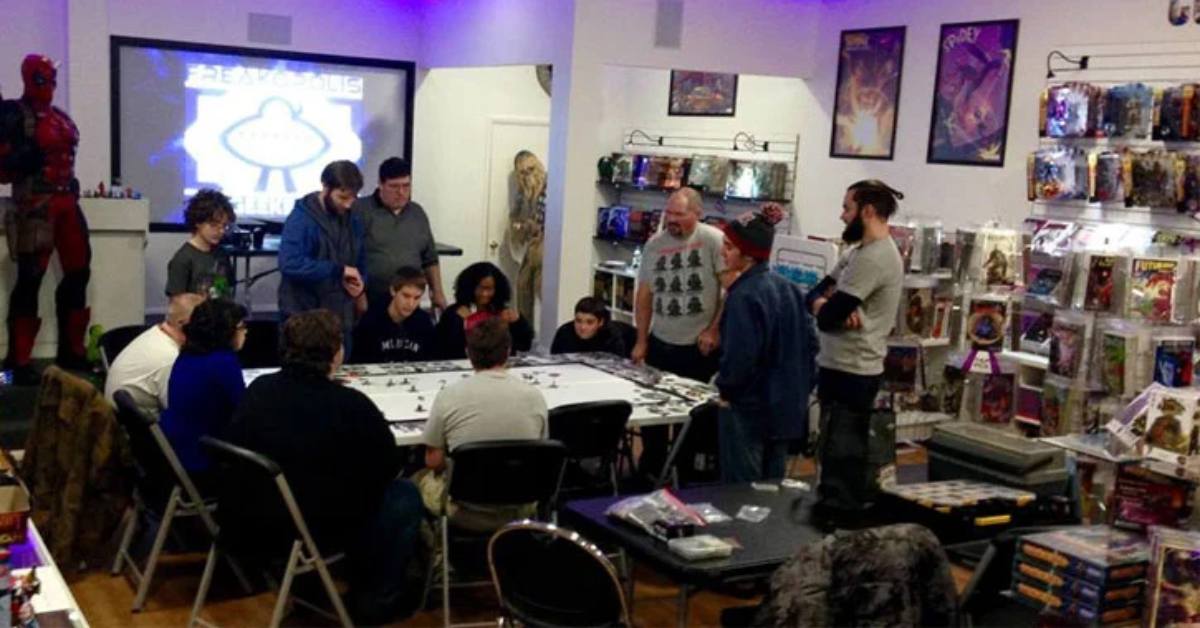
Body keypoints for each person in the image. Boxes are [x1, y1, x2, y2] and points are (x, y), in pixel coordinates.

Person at [224, 309, 423, 623]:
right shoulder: (350, 405)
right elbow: (389, 467)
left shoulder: (259, 390)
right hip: (317, 521)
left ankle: (318, 579)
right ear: (335, 352)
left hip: (254, 514)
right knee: (404, 495)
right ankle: (379, 598)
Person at [807, 180, 905, 529]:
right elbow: (815, 295)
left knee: (844, 455)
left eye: (847, 207)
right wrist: (824, 303)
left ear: (866, 211)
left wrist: (828, 307)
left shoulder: (876, 258)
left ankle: (841, 522)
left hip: (854, 369)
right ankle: (833, 511)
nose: (841, 214)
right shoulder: (856, 252)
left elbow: (831, 317)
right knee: (831, 449)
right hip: (837, 364)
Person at [1, 55, 91, 383]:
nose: (49, 86)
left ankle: (73, 350)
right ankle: (20, 360)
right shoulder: (13, 114)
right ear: (28, 78)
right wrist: (21, 158)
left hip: (66, 202)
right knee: (30, 280)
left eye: (52, 79)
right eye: (42, 79)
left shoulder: (61, 119)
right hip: (36, 205)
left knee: (79, 273)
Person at [714, 204, 817, 482]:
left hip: (749, 408)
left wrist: (726, 389)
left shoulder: (744, 295)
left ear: (747, 255)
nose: (723, 252)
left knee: (742, 491)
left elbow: (741, 356)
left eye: (729, 247)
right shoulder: (789, 289)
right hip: (785, 407)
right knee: (772, 489)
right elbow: (811, 344)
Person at [631, 187, 726, 478]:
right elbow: (645, 295)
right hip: (662, 342)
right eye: (668, 213)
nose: (671, 219)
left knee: (693, 417)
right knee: (654, 414)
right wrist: (641, 340)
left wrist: (713, 329)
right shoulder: (654, 244)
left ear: (697, 214)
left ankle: (685, 472)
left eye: (679, 214)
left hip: (698, 346)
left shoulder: (713, 240)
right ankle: (651, 472)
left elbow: (727, 290)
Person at [421, 317, 548, 531]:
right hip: (520, 503)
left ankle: (433, 548)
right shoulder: (535, 397)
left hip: (465, 507)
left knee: (417, 481)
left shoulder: (449, 396)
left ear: (468, 354)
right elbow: (540, 453)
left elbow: (433, 461)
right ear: (508, 351)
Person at [278, 160, 367, 358]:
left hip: (340, 320)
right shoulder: (300, 219)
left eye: (353, 197)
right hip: (303, 320)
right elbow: (289, 263)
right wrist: (338, 270)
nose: (348, 204)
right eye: (342, 197)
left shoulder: (354, 220)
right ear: (325, 187)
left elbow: (359, 262)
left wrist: (361, 285)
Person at [158, 299, 248, 475]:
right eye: (241, 326)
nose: (245, 331)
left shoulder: (186, 356)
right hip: (204, 460)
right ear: (227, 331)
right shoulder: (223, 362)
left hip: (179, 452)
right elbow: (244, 409)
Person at [354, 157, 448, 312]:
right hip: (371, 300)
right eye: (394, 186)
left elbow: (430, 258)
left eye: (406, 186)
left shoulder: (417, 213)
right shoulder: (360, 210)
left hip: (409, 300)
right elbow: (350, 258)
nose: (401, 192)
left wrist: (437, 292)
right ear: (380, 184)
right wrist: (359, 296)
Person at [104, 293, 205, 417]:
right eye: (204, 321)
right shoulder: (169, 359)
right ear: (183, 323)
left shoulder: (156, 333)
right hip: (142, 430)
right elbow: (178, 412)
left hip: (120, 418)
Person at [435, 262, 533, 359]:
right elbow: (445, 349)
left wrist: (518, 322)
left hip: (498, 368)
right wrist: (462, 324)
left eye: (489, 289)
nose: (484, 294)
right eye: (480, 288)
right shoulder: (455, 313)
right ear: (470, 287)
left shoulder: (504, 313)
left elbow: (525, 345)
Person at [352, 266, 436, 364]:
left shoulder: (423, 322)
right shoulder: (371, 321)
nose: (411, 304)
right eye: (406, 296)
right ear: (393, 291)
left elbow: (431, 360)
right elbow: (360, 361)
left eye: (416, 298)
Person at [166, 189, 236, 299]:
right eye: (214, 225)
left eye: (224, 226)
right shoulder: (182, 259)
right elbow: (177, 304)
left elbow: (223, 292)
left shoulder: (221, 254)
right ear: (198, 222)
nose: (221, 231)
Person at [550, 296, 625, 356]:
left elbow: (617, 364)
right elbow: (554, 360)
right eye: (578, 321)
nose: (583, 327)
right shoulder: (564, 332)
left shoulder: (611, 336)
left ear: (600, 322)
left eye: (590, 322)